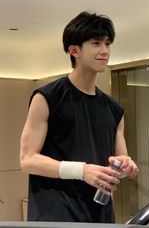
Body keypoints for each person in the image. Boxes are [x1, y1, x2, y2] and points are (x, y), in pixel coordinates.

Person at [20, 11, 138, 223]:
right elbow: (28, 160)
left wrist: (125, 165)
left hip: (100, 216)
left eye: (108, 44)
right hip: (56, 216)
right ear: (74, 50)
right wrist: (81, 170)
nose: (104, 51)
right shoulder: (47, 97)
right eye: (96, 43)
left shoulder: (114, 109)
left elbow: (119, 164)